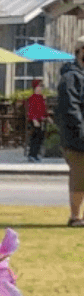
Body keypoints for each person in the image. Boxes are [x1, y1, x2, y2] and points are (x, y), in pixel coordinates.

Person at [59, 38, 84, 227]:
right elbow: (70, 108)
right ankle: (75, 217)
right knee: (79, 178)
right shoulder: (71, 77)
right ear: (80, 51)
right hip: (76, 138)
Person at [27, 79, 48, 163]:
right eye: (39, 87)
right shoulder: (32, 98)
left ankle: (35, 154)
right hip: (34, 121)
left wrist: (47, 117)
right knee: (35, 137)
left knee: (40, 137)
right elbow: (31, 111)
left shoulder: (41, 98)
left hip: (40, 121)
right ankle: (32, 154)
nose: (41, 88)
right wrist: (34, 119)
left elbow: (43, 110)